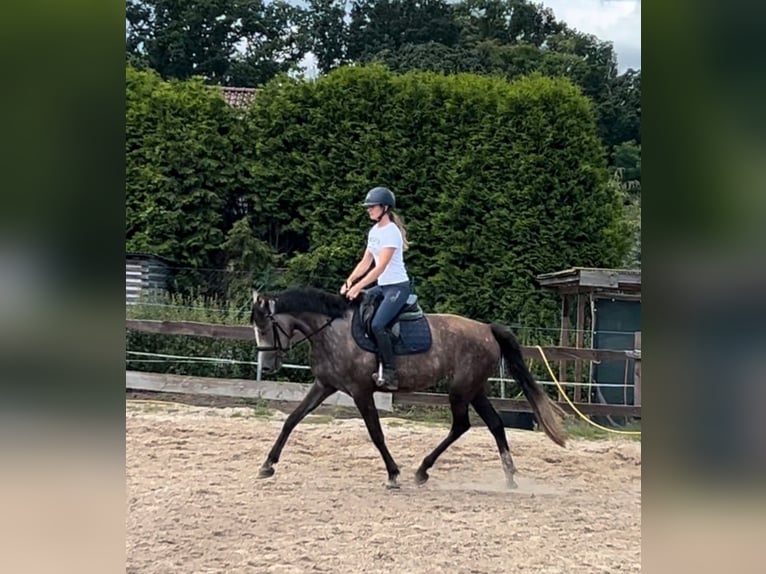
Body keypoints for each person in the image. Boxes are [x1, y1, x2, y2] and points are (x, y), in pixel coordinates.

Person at [341, 186, 411, 391]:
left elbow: (380, 267)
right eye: (368, 207)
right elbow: (366, 262)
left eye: (372, 206)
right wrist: (349, 282)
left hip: (397, 288)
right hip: (382, 288)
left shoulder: (392, 233)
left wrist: (359, 286)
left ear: (385, 208)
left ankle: (390, 373)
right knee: (356, 309)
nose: (369, 210)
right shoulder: (374, 231)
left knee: (379, 324)